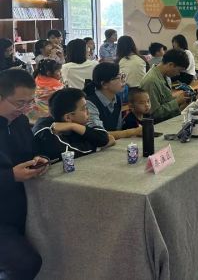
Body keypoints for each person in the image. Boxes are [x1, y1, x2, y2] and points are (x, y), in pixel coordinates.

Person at [0, 69, 48, 280]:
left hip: (18, 208)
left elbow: (29, 152)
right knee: (26, 263)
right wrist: (11, 176)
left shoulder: (19, 122)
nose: (26, 109)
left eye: (30, 102)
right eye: (20, 103)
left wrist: (38, 160)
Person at [32, 88, 114, 161]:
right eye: (84, 108)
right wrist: (98, 146)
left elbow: (103, 137)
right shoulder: (46, 131)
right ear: (68, 117)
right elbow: (68, 153)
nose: (88, 112)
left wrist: (73, 126)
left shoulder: (74, 123)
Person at [83, 62, 140, 140]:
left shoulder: (117, 98)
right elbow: (99, 134)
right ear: (104, 84)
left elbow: (117, 129)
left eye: (123, 76)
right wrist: (134, 131)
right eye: (119, 77)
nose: (123, 80)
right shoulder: (89, 103)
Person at [140, 49, 190, 123]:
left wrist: (180, 100)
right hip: (158, 125)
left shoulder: (166, 76)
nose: (178, 74)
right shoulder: (151, 81)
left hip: (168, 120)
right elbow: (154, 114)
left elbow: (164, 101)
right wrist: (177, 101)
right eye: (179, 70)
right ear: (170, 65)